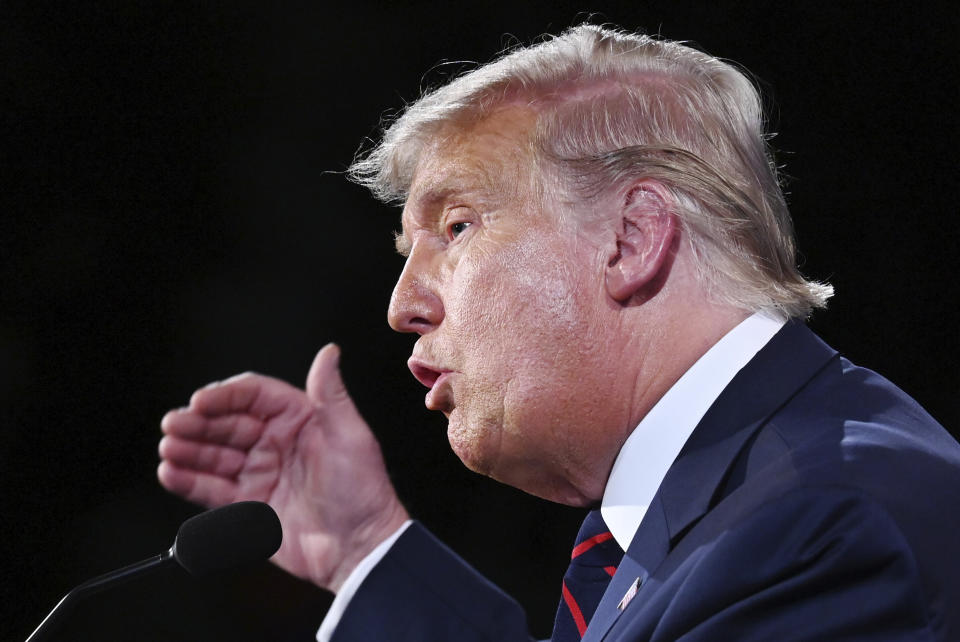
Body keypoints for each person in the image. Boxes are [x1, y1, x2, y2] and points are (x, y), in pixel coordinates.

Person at [156, 24, 960, 641]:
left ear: (632, 238)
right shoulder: (756, 496)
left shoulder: (815, 526)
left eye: (459, 226)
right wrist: (363, 547)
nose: (403, 305)